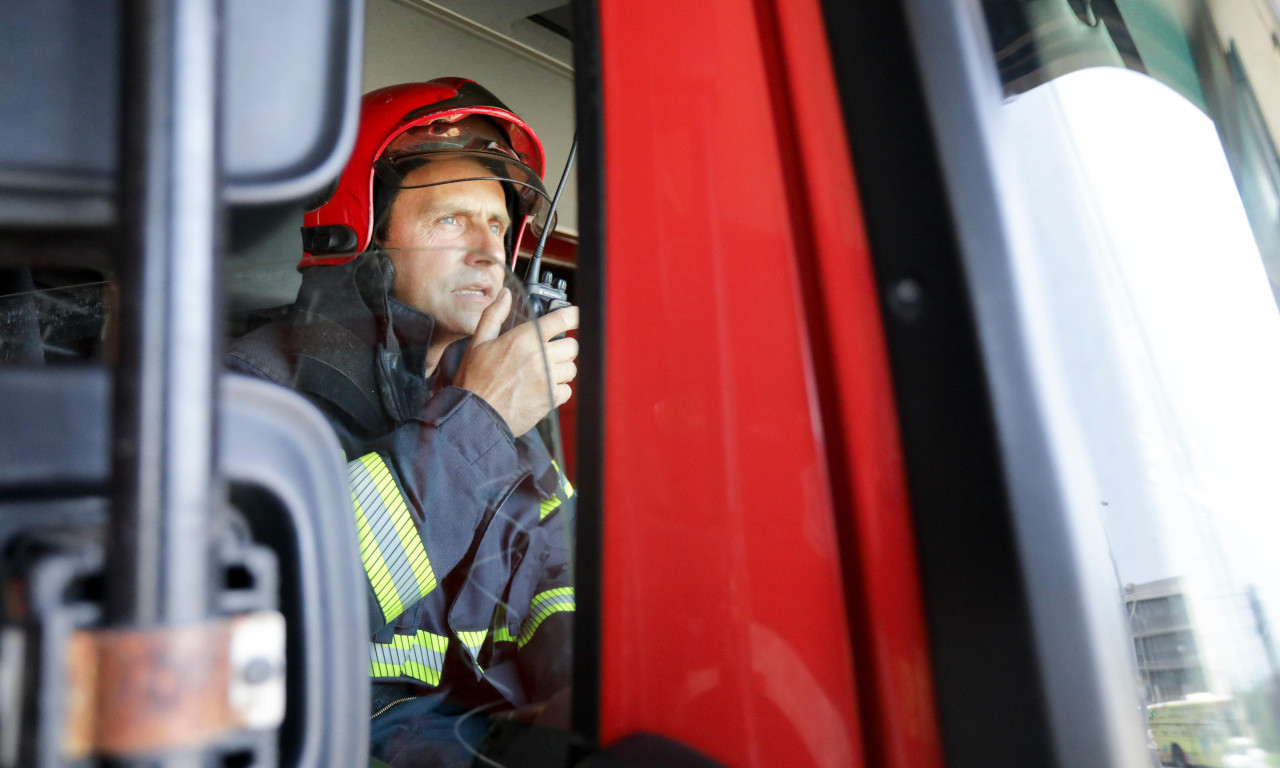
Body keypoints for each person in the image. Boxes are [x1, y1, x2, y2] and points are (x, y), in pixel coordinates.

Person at [226, 78, 578, 767]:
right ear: (362, 234)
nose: (488, 251)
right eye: (451, 220)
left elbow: (558, 570)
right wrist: (480, 422)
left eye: (499, 225)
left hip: (477, 733)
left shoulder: (499, 402)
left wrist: (577, 689)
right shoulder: (253, 395)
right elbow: (274, 616)